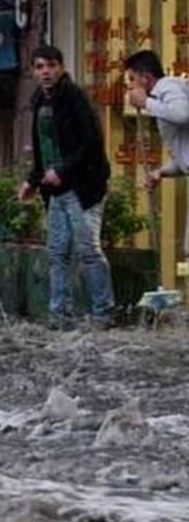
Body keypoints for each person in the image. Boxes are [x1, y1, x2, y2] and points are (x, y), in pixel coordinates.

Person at [18, 45, 115, 329]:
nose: (45, 72)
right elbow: (42, 148)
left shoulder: (74, 98)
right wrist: (32, 180)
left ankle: (103, 312)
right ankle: (59, 313)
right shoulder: (38, 101)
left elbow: (92, 142)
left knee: (88, 250)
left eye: (50, 65)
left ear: (60, 67)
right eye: (39, 67)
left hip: (83, 188)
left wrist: (62, 170)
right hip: (55, 191)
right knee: (57, 251)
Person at [123, 49, 189, 191]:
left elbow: (182, 114)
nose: (130, 86)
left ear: (146, 78)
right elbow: (184, 159)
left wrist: (146, 102)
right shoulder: (160, 98)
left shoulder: (167, 87)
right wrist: (160, 172)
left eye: (132, 79)